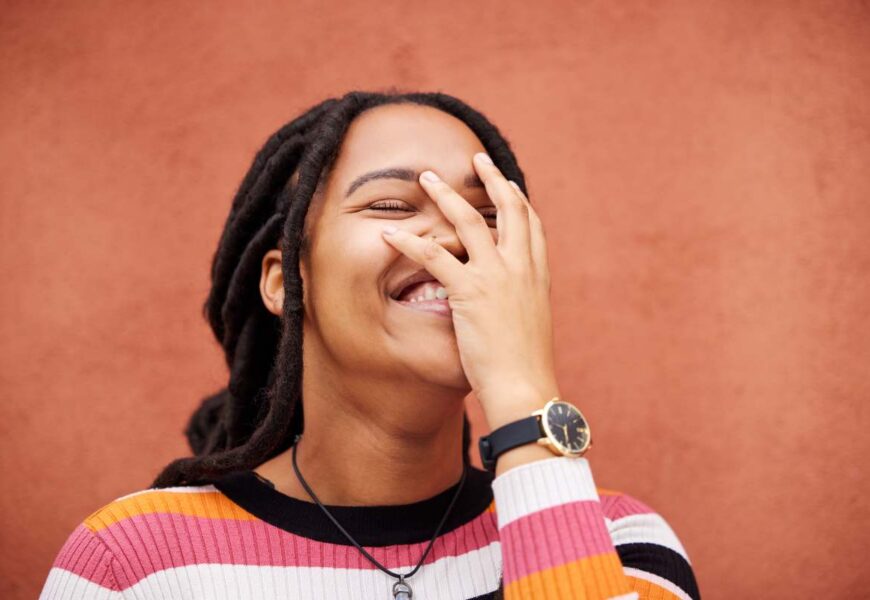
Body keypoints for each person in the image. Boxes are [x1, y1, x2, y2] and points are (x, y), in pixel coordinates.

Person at [39, 90, 701, 600]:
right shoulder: (135, 565)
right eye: (390, 206)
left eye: (488, 216)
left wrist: (526, 400)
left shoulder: (619, 544)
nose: (454, 237)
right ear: (282, 280)